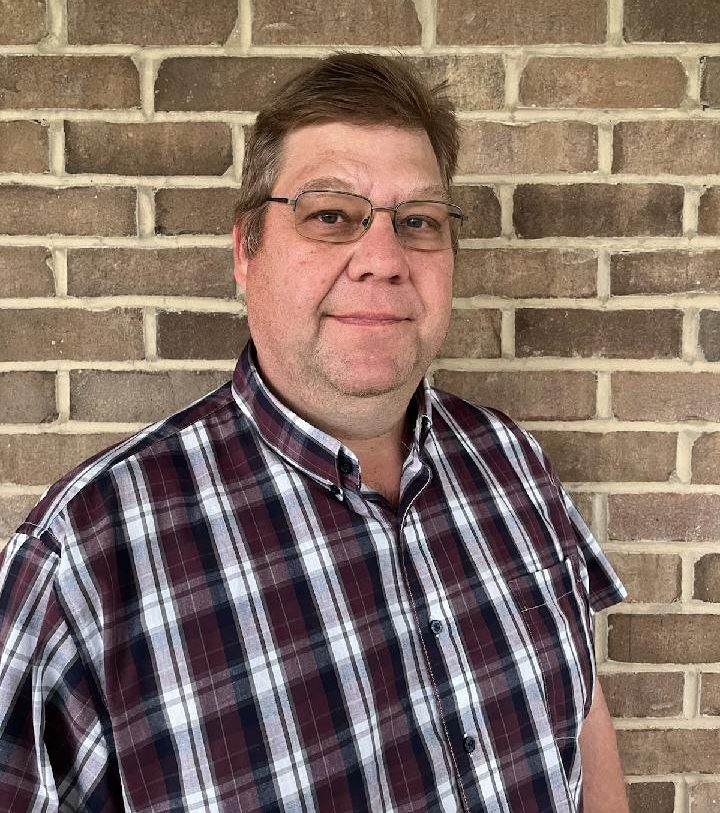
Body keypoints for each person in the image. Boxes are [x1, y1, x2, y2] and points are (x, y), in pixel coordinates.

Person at [0, 53, 628, 813]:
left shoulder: (513, 463)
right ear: (246, 250)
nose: (384, 260)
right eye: (330, 215)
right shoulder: (85, 560)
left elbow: (581, 719)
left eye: (418, 221)